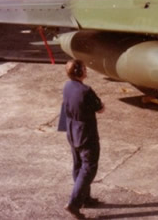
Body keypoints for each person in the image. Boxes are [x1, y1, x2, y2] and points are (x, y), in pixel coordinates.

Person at [58, 59, 104, 217]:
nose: (87, 70)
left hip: (72, 131)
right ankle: (74, 203)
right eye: (84, 68)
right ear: (79, 72)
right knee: (89, 167)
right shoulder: (86, 90)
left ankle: (85, 198)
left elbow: (65, 107)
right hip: (86, 134)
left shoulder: (67, 86)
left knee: (78, 165)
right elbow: (100, 108)